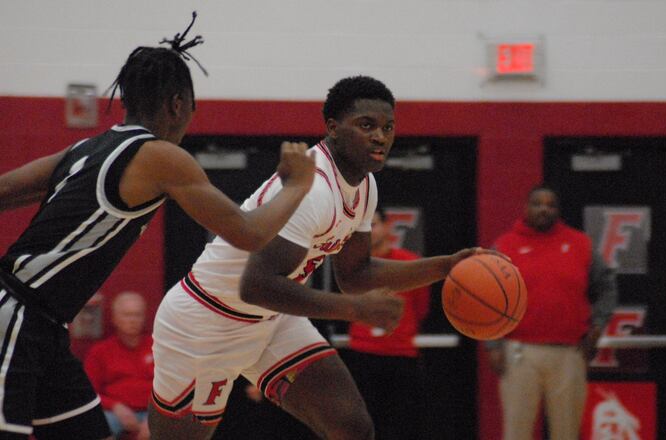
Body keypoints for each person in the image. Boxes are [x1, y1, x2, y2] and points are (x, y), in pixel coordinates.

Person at [0, 13, 314, 440]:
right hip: (16, 314)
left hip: (45, 328)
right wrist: (296, 185)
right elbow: (249, 234)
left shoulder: (86, 148)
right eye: (192, 112)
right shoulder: (161, 156)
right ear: (177, 104)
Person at [148, 75, 491, 440]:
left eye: (388, 127)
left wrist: (445, 266)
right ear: (333, 128)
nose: (380, 136)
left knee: (351, 426)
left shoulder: (365, 186)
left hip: (270, 320)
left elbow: (356, 274)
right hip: (206, 320)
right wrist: (355, 311)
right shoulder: (314, 190)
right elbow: (257, 286)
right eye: (366, 125)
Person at [486, 185, 617, 440]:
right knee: (516, 432)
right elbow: (487, 297)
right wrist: (492, 344)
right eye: (537, 203)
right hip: (519, 351)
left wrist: (598, 325)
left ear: (558, 210)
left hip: (569, 353)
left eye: (550, 205)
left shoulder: (580, 244)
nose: (544, 209)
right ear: (526, 207)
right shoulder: (505, 246)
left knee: (566, 433)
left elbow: (607, 287)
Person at [342, 207, 431, 440]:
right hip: (362, 354)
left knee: (402, 427)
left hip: (401, 356)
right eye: (363, 227)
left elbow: (421, 308)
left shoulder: (410, 264)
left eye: (374, 224)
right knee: (359, 427)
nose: (369, 231)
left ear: (387, 227)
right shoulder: (349, 267)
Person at [84, 292, 153, 440]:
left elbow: (171, 390)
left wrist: (154, 418)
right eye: (127, 315)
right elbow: (88, 392)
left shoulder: (158, 348)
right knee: (95, 425)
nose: (132, 320)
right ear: (115, 318)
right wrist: (115, 406)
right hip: (114, 413)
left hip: (153, 412)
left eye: (137, 315)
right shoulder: (100, 351)